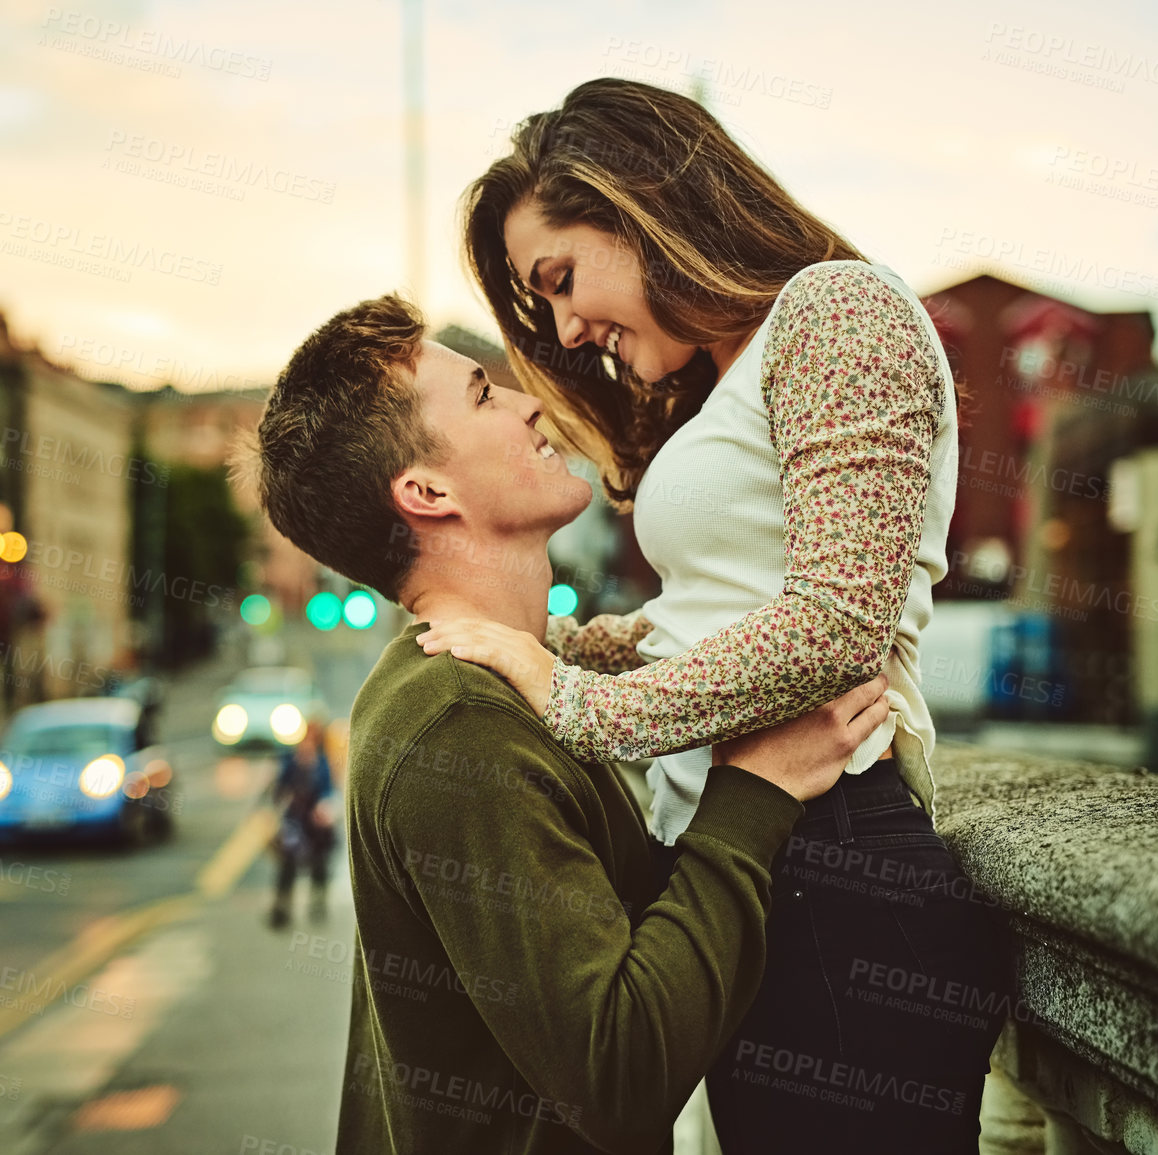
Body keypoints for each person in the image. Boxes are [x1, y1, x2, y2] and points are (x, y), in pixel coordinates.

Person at [415, 78, 1013, 1152]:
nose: (561, 326)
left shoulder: (839, 312)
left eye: (560, 279)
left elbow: (837, 618)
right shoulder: (721, 378)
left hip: (840, 877)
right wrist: (547, 643)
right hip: (755, 868)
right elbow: (714, 611)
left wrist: (579, 699)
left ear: (644, 204)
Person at [247, 294, 890, 1154]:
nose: (529, 402)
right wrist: (751, 795)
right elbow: (620, 1070)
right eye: (483, 394)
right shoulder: (456, 724)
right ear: (426, 490)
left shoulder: (487, 682)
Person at [267, 719, 337, 930]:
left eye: (313, 738)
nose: (308, 742)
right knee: (287, 862)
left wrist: (324, 809)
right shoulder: (290, 759)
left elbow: (327, 789)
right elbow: (279, 787)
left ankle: (318, 902)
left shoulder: (322, 762)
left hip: (315, 822)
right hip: (294, 820)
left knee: (319, 862)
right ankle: (281, 908)